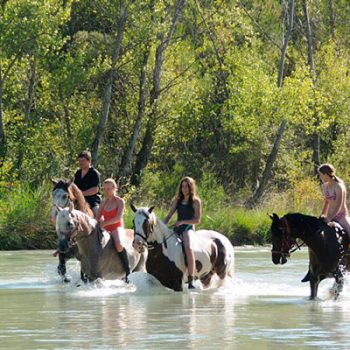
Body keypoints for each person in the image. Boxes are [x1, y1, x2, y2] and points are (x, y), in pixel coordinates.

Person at [302, 163, 350, 283]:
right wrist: (323, 216)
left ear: (325, 174)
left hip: (341, 216)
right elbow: (327, 203)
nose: (320, 177)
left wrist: (330, 218)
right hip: (329, 216)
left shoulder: (340, 186)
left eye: (320, 175)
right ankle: (312, 269)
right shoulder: (325, 186)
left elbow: (339, 205)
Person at [163, 176, 201, 289]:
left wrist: (183, 221)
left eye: (187, 187)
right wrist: (162, 226)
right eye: (182, 186)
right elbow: (169, 215)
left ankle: (191, 279)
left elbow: (197, 220)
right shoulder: (177, 200)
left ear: (191, 188)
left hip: (188, 228)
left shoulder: (195, 201)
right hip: (177, 227)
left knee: (188, 247)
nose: (184, 189)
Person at [96, 178, 130, 283]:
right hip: (105, 228)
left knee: (119, 245)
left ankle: (128, 270)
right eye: (104, 189)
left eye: (108, 189)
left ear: (114, 188)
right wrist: (98, 223)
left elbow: (118, 218)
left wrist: (104, 223)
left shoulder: (120, 201)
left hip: (116, 227)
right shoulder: (103, 202)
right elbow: (97, 218)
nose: (106, 191)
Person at [73, 150, 101, 217]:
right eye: (79, 161)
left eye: (83, 161)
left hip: (92, 202)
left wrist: (80, 193)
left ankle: (101, 227)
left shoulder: (94, 173)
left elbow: (95, 189)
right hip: (78, 201)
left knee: (98, 214)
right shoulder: (77, 173)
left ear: (89, 161)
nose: (80, 163)